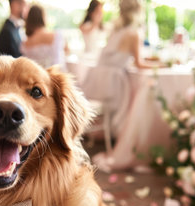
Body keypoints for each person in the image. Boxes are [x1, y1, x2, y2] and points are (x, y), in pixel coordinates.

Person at [81, 0, 161, 136]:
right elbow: (139, 64)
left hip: (98, 78)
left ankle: (110, 134)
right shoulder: (134, 33)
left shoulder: (116, 30)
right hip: (113, 83)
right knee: (134, 97)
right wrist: (161, 65)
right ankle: (124, 134)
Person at [20, 5, 66, 69]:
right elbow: (58, 61)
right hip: (53, 75)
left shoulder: (25, 42)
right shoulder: (56, 36)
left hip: (35, 77)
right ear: (43, 17)